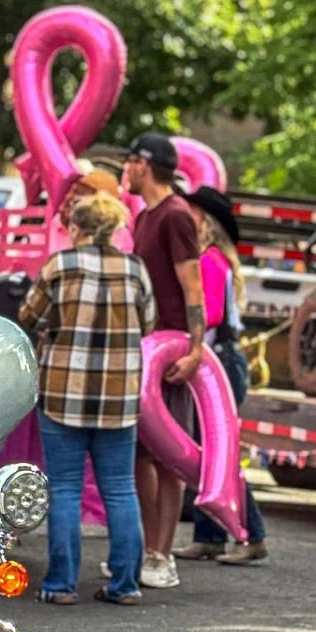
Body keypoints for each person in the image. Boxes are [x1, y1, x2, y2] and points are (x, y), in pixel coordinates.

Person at [19, 192, 155, 605]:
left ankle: (60, 585)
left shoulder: (60, 265)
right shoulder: (134, 269)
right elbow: (148, 323)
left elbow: (29, 317)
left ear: (75, 228)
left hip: (65, 392)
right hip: (118, 395)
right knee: (120, 488)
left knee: (63, 488)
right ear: (114, 229)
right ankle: (126, 584)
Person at [125, 132, 205, 591]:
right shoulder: (146, 216)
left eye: (130, 162)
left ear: (144, 164)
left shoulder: (175, 216)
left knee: (169, 457)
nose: (126, 171)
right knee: (140, 455)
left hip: (171, 353)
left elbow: (192, 287)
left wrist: (195, 350)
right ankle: (145, 549)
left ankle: (163, 553)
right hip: (145, 351)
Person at [174, 185, 268, 566]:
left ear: (206, 221)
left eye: (193, 213)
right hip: (223, 360)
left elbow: (209, 314)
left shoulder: (210, 262)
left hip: (219, 363)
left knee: (218, 455)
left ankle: (253, 534)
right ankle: (209, 534)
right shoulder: (217, 260)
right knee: (210, 453)